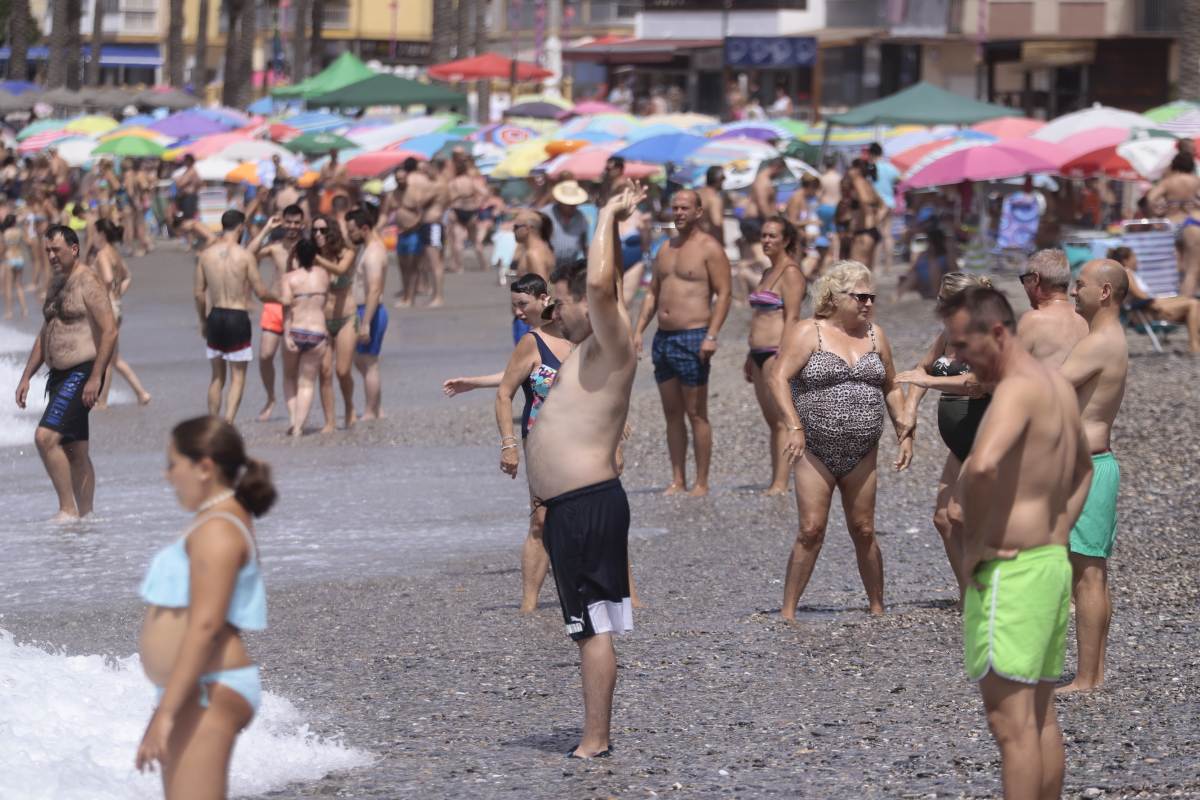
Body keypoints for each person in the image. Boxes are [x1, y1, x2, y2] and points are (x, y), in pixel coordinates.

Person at [942, 287, 1092, 800]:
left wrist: (977, 544)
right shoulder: (1055, 385)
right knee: (1040, 716)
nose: (959, 357)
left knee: (1012, 727)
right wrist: (1058, 528)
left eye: (964, 345)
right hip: (1048, 563)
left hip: (1011, 571)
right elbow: (1084, 470)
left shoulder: (1015, 390)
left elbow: (982, 466)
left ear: (997, 332)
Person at [525, 185, 643, 760]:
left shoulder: (610, 342)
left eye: (559, 303)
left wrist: (606, 215)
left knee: (592, 627)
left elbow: (601, 286)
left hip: (587, 503)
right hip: (571, 506)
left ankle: (595, 739)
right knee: (585, 628)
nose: (553, 312)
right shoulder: (584, 351)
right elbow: (604, 281)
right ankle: (593, 734)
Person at [135, 416, 276, 795]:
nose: (167, 475)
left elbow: (206, 625)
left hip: (211, 686)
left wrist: (165, 714)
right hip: (199, 685)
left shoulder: (218, 530)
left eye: (172, 464)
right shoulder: (216, 520)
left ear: (204, 468)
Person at [766, 260, 912, 618]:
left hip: (863, 450)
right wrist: (794, 426)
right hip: (815, 449)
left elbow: (891, 386)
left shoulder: (875, 335)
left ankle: (877, 607)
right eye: (860, 297)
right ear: (834, 296)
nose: (868, 303)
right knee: (811, 529)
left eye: (872, 297)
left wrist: (904, 430)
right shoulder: (808, 332)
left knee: (864, 529)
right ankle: (788, 611)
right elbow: (777, 377)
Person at [894, 272, 995, 597]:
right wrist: (911, 410)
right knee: (943, 519)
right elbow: (921, 368)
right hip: (959, 443)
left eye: (943, 300)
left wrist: (929, 383)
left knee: (960, 514)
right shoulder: (948, 335)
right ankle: (969, 594)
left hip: (985, 435)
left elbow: (977, 382)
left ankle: (995, 590)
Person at [1056, 260, 1129, 694]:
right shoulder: (1107, 338)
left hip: (1088, 467)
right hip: (1094, 464)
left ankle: (1085, 678)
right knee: (1092, 573)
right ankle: (1094, 672)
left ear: (1104, 292)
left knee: (1087, 575)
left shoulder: (1099, 342)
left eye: (1079, 285)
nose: (1073, 291)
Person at [14, 225, 117, 522]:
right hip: (58, 376)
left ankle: (67, 510)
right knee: (74, 448)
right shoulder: (56, 281)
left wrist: (96, 377)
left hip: (82, 372)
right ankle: (86, 517)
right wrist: (26, 376)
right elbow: (46, 331)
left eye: (56, 250)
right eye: (47, 250)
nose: (51, 256)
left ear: (74, 249)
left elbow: (110, 330)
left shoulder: (88, 281)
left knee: (45, 438)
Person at [634, 189, 732, 496]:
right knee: (671, 412)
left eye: (684, 208)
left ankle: (701, 481)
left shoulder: (709, 248)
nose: (678, 213)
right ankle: (678, 479)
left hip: (693, 335)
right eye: (675, 207)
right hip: (663, 338)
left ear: (698, 212)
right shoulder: (666, 248)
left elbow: (724, 293)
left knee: (696, 413)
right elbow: (653, 292)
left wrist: (712, 335)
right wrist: (638, 330)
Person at [193, 210, 277, 424]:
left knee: (217, 377)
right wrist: (282, 299)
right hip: (237, 316)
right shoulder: (244, 256)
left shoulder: (205, 255)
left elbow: (199, 293)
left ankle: (213, 423)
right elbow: (261, 292)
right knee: (237, 377)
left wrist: (203, 320)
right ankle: (228, 422)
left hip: (215, 315)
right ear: (240, 227)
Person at [744, 217, 807, 495]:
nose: (766, 240)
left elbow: (792, 317)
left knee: (783, 419)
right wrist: (749, 355)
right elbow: (759, 316)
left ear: (786, 240)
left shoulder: (790, 273)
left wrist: (785, 357)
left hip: (775, 353)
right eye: (764, 235)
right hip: (758, 353)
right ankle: (777, 479)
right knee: (772, 421)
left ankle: (781, 483)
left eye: (772, 236)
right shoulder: (768, 272)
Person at [247, 204, 306, 422]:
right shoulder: (275, 247)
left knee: (293, 361)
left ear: (302, 224)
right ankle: (271, 397)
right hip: (274, 305)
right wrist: (266, 229)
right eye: (289, 222)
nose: (292, 226)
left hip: (298, 307)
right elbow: (248, 254)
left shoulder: (306, 247)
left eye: (296, 222)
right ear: (283, 222)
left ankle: (296, 406)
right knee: (265, 355)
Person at [91, 218, 151, 408]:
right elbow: (127, 277)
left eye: (94, 232)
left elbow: (108, 278)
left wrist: (103, 297)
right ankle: (141, 393)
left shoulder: (102, 254)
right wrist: (117, 295)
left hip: (107, 308)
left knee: (106, 358)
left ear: (101, 234)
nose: (92, 236)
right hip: (115, 305)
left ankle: (102, 401)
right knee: (113, 357)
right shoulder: (114, 253)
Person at [279, 237, 329, 437]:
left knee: (289, 376)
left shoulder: (289, 278)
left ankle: (293, 419)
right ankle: (299, 427)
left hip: (296, 330)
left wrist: (286, 335)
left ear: (296, 255)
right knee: (307, 382)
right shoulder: (323, 275)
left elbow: (285, 306)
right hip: (318, 332)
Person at [313, 214, 358, 431]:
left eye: (322, 230)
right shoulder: (312, 257)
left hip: (346, 319)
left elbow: (340, 270)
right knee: (324, 372)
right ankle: (329, 421)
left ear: (331, 232)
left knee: (342, 371)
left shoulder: (347, 253)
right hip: (322, 320)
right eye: (314, 231)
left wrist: (316, 258)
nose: (318, 234)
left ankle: (349, 405)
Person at [1109, 245, 1200, 353]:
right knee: (1193, 304)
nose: (1137, 260)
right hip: (1149, 312)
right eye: (1134, 257)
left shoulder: (1129, 274)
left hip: (1149, 307)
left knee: (1188, 299)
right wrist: (1158, 307)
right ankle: (1194, 345)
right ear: (1125, 260)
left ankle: (1195, 343)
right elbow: (1139, 295)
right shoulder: (1126, 273)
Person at [347, 207, 389, 421]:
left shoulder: (373, 253)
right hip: (363, 310)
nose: (350, 235)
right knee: (361, 361)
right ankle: (377, 408)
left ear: (364, 229)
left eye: (352, 231)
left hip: (370, 311)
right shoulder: (368, 249)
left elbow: (374, 289)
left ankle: (371, 411)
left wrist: (365, 323)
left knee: (369, 362)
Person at [1016, 249, 1089, 367]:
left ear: (1035, 279)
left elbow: (1012, 369)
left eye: (1024, 280)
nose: (1024, 286)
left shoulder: (1033, 320)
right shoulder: (1086, 318)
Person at [1146, 152, 1200, 298]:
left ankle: (1173, 297)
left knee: (1172, 265)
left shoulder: (1169, 182)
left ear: (1174, 165)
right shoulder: (1196, 181)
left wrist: (1156, 214)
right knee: (1191, 267)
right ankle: (1186, 299)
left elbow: (1151, 198)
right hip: (1192, 223)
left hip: (1171, 223)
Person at [389, 159, 428, 309]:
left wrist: (411, 227)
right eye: (397, 179)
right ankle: (405, 296)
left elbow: (421, 214)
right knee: (403, 267)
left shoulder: (414, 193)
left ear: (407, 177)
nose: (400, 181)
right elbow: (385, 214)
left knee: (413, 267)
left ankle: (410, 298)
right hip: (400, 234)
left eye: (402, 178)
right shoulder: (393, 195)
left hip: (413, 233)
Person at [742, 159, 783, 265]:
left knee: (751, 259)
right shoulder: (763, 181)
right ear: (776, 168)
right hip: (754, 221)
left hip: (755, 221)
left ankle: (744, 269)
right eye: (781, 172)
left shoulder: (763, 180)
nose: (780, 175)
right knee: (764, 259)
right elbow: (762, 204)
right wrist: (772, 222)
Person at [866, 143, 900, 273]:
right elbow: (900, 179)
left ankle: (876, 266)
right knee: (887, 234)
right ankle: (889, 265)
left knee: (877, 234)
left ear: (871, 154)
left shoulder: (871, 168)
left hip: (877, 205)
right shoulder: (890, 167)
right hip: (890, 202)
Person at [542, 180, 591, 268]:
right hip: (548, 266)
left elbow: (585, 245)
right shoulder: (546, 215)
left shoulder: (581, 217)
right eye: (569, 204)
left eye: (575, 203)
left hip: (570, 267)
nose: (573, 206)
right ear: (560, 202)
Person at [894, 228, 951, 301]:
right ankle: (897, 295)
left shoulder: (943, 255)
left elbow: (953, 270)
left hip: (931, 278)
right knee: (914, 274)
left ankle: (898, 294)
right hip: (923, 278)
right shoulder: (926, 254)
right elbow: (913, 266)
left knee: (930, 267)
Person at [173, 154, 203, 246]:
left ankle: (190, 241)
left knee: (188, 219)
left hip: (189, 198)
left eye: (186, 160)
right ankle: (189, 240)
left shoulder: (191, 171)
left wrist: (178, 180)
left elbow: (180, 183)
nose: (184, 162)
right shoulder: (188, 171)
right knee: (185, 218)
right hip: (187, 197)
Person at [2, 214, 28, 319]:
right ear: (14, 222)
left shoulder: (5, 233)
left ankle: (9, 312)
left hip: (9, 259)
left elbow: (2, 248)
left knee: (8, 287)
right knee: (19, 285)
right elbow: (27, 242)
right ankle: (24, 310)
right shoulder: (19, 231)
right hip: (19, 258)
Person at [697, 166, 726, 247]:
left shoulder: (696, 194)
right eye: (723, 177)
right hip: (709, 242)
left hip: (694, 240)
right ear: (718, 179)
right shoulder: (714, 198)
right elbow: (717, 223)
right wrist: (722, 243)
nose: (725, 180)